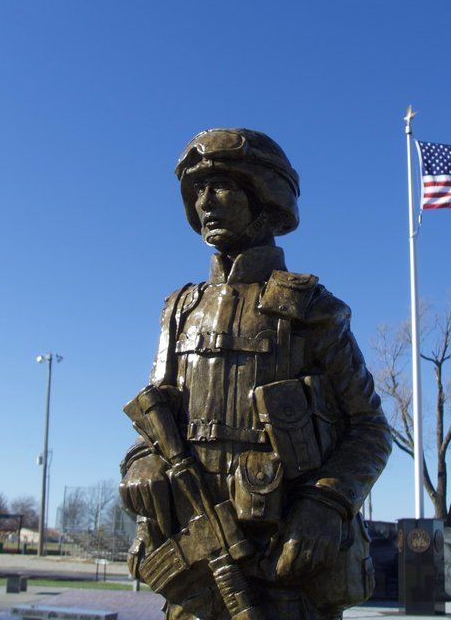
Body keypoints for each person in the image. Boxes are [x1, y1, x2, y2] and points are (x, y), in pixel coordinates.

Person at [120, 128, 391, 620]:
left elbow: (370, 429)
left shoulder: (311, 309)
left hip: (285, 568)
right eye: (197, 190)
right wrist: (141, 462)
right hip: (196, 568)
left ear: (264, 194)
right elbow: (154, 422)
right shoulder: (180, 310)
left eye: (221, 186)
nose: (206, 202)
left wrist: (325, 506)